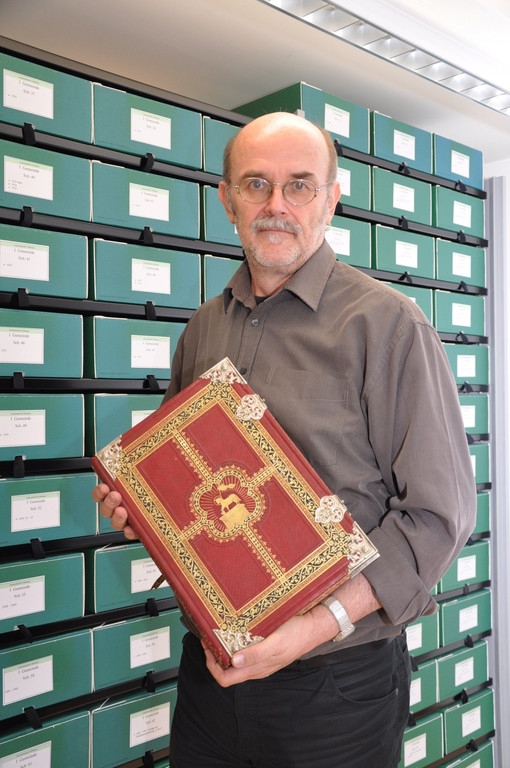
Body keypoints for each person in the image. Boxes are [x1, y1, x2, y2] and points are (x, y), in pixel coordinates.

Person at [93, 111, 476, 768]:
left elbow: (440, 517)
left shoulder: (388, 326)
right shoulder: (203, 328)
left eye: (299, 185)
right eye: (256, 184)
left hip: (336, 687)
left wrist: (313, 628)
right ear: (227, 200)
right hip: (211, 674)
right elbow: (183, 478)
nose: (276, 205)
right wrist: (142, 509)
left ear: (331, 198)